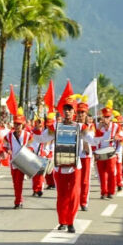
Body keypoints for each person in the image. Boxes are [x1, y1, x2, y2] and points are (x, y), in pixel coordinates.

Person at [35, 97, 92, 232]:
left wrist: (104, 137)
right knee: (61, 196)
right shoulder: (55, 126)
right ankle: (62, 221)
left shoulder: (80, 127)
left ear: (74, 112)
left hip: (74, 167)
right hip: (59, 166)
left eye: (70, 109)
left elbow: (92, 140)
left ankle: (71, 222)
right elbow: (42, 139)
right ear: (62, 111)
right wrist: (36, 130)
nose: (67, 112)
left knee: (73, 195)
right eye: (65, 109)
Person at [2, 111, 32, 209]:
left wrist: (27, 150)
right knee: (16, 182)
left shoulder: (28, 135)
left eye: (19, 124)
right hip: (13, 162)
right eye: (15, 124)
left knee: (19, 182)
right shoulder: (8, 135)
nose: (17, 126)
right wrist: (8, 150)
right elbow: (4, 145)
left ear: (23, 124)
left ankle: (18, 201)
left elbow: (32, 146)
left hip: (24, 161)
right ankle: (18, 200)